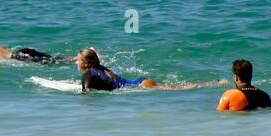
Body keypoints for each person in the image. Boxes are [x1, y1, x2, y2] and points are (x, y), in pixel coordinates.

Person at [75, 48, 223, 92]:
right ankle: (211, 83)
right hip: (140, 82)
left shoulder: (88, 75)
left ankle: (211, 84)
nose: (76, 61)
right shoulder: (101, 68)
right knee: (177, 87)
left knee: (179, 88)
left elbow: (86, 94)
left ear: (87, 63)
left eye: (78, 59)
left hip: (139, 86)